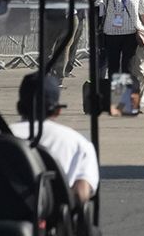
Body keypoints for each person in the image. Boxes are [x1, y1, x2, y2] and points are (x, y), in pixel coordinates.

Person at [12, 74, 99, 207]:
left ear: (19, 107)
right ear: (57, 111)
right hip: (52, 219)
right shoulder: (78, 143)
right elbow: (81, 193)